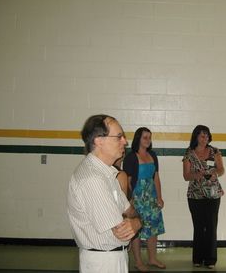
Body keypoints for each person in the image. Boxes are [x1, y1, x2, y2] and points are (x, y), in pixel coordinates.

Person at [67, 114, 142, 273]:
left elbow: (130, 211)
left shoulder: (107, 174)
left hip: (113, 259)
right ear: (99, 141)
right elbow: (121, 233)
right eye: (119, 137)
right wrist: (136, 223)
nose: (125, 141)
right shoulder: (92, 179)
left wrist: (136, 222)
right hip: (102, 263)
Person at [122, 127, 165, 272]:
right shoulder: (131, 157)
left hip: (151, 197)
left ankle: (152, 258)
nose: (148, 140)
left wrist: (159, 197)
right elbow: (127, 181)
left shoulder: (153, 155)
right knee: (137, 229)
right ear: (138, 139)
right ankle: (138, 262)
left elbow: (156, 177)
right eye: (145, 137)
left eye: (149, 137)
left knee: (153, 228)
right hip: (137, 198)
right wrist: (130, 201)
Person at [183, 125, 225, 269]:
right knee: (199, 226)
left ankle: (211, 260)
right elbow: (186, 176)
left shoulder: (215, 151)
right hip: (195, 195)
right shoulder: (189, 153)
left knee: (211, 226)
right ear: (196, 137)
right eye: (202, 135)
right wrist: (198, 175)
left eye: (207, 135)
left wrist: (215, 173)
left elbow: (221, 169)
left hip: (213, 194)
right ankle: (197, 258)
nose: (205, 138)